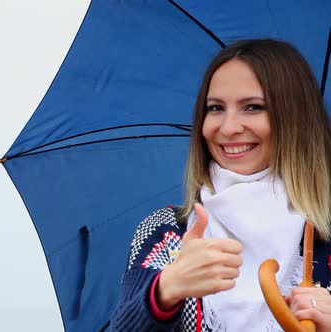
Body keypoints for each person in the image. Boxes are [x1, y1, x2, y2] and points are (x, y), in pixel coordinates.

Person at [110, 39, 331, 331]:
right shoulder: (166, 232)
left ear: (295, 120)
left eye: (252, 107)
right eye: (215, 108)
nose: (227, 128)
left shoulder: (324, 234)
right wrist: (165, 291)